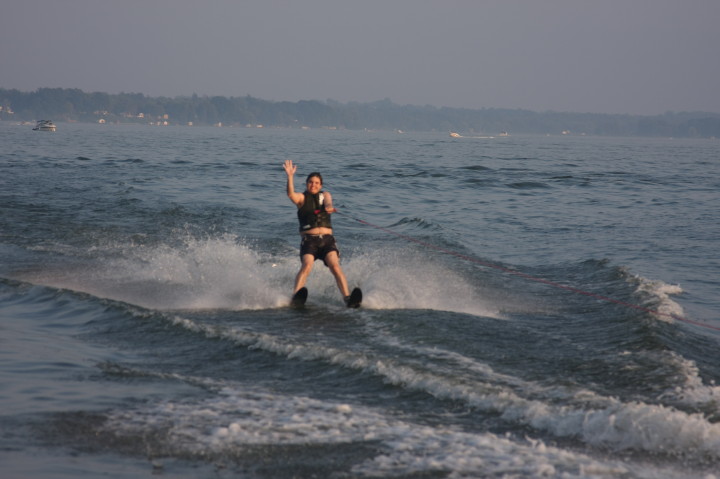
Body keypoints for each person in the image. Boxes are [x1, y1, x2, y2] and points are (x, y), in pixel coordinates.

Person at [283, 159, 355, 304]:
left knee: (335, 266)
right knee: (307, 265)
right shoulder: (301, 198)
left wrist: (328, 207)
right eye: (310, 182)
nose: (313, 185)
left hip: (327, 240)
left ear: (320, 185)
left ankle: (347, 298)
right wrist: (290, 177)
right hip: (310, 241)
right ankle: (296, 296)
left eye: (316, 183)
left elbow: (328, 202)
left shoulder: (325, 195)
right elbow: (291, 194)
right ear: (307, 184)